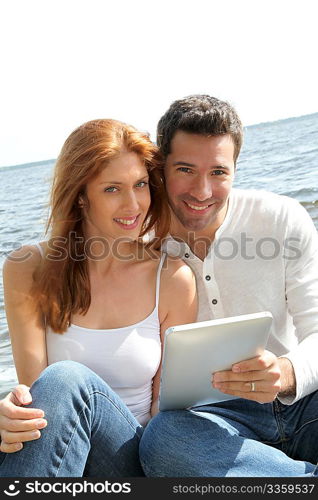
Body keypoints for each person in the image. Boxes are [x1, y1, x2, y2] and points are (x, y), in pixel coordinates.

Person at [0, 118, 197, 477]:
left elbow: (166, 411)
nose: (133, 203)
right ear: (80, 195)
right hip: (56, 446)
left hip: (132, 456)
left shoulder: (171, 279)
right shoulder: (27, 268)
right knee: (49, 393)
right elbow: (35, 397)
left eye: (140, 184)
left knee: (66, 379)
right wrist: (12, 415)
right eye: (112, 189)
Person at [138, 95, 318, 476]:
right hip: (214, 422)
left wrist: (286, 373)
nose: (202, 191)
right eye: (185, 170)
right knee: (163, 442)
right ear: (160, 168)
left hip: (303, 403)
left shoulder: (280, 218)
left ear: (235, 169)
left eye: (218, 172)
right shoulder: (137, 245)